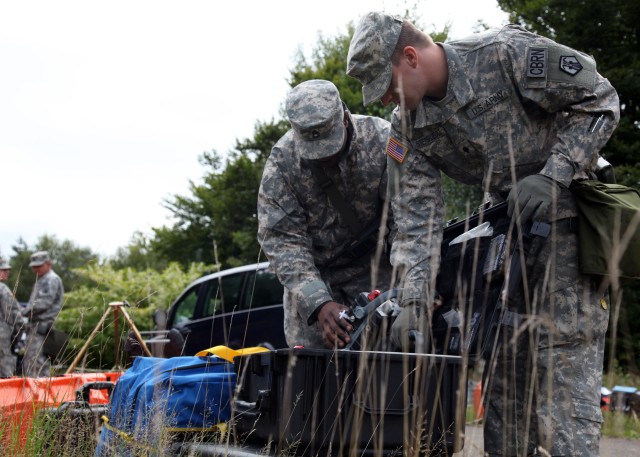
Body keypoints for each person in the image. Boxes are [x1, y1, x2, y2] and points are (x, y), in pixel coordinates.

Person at [346, 12, 620, 457]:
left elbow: (602, 98)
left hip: (569, 233)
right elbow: (416, 218)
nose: (382, 102)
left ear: (410, 57)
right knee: (506, 401)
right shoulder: (406, 129)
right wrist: (414, 297)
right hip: (505, 246)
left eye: (385, 85)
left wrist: (555, 174)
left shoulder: (503, 53)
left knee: (564, 403)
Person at [257, 79, 395, 350]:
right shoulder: (281, 166)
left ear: (344, 118)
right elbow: (283, 242)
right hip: (314, 284)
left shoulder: (382, 140)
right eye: (314, 153)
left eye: (330, 148)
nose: (324, 159)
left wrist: (413, 284)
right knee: (314, 382)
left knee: (387, 375)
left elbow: (406, 216)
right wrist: (319, 303)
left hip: (378, 276)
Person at [22, 251, 64, 377]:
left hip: (42, 328)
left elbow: (43, 303)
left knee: (37, 364)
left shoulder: (51, 279)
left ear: (48, 264)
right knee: (31, 363)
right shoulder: (42, 280)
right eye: (34, 267)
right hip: (36, 327)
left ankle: (39, 395)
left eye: (39, 266)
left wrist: (22, 311)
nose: (36, 269)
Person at [0, 258, 22, 377]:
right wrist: (17, 336)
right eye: (4, 270)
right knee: (5, 372)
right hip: (3, 336)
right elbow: (13, 314)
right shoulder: (3, 289)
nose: (7, 272)